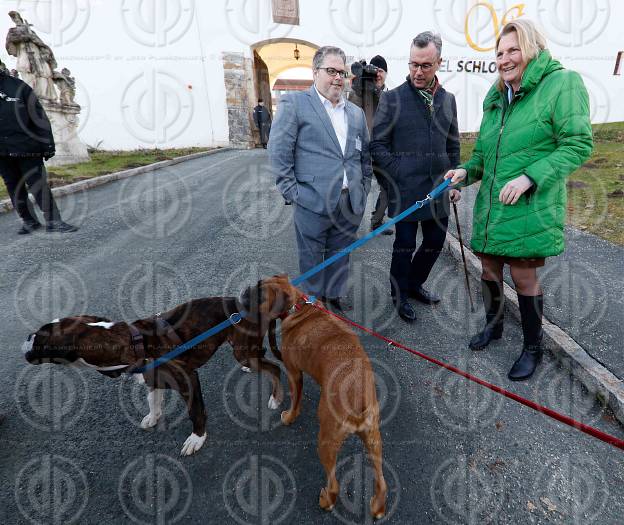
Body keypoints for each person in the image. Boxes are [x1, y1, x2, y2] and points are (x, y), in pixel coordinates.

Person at [445, 19, 593, 381]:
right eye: (499, 53)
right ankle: (494, 328)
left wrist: (531, 177)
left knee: (524, 277)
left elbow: (578, 144)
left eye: (513, 50)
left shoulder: (562, 83)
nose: (505, 58)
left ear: (532, 49)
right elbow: (483, 155)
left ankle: (532, 348)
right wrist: (465, 172)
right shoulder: (495, 97)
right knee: (490, 270)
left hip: (530, 206)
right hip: (493, 207)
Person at [269, 45, 372, 312]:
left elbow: (364, 158)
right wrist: (294, 193)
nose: (338, 77)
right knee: (311, 257)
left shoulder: (356, 113)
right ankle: (312, 304)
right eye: (331, 71)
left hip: (349, 202)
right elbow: (279, 152)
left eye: (342, 72)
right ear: (315, 72)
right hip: (311, 201)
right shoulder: (295, 104)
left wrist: (362, 190)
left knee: (341, 254)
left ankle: (334, 294)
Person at [370, 32, 460, 323]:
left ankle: (413, 284)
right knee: (404, 246)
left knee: (434, 242)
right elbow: (378, 146)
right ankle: (398, 294)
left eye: (425, 65)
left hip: (438, 191)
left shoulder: (448, 100)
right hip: (406, 191)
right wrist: (400, 173)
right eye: (413, 65)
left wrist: (454, 180)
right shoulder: (393, 99)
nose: (418, 72)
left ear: (438, 63)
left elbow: (453, 143)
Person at [0, 63, 77, 233]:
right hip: (2, 152)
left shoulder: (18, 86)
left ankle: (54, 221)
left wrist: (47, 144)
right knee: (14, 187)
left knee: (38, 185)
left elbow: (38, 116)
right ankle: (29, 221)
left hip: (27, 147)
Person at [348, 55, 393, 235]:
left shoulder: (391, 95)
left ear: (386, 73)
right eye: (375, 71)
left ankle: (377, 221)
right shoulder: (358, 92)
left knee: (388, 186)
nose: (378, 74)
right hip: (361, 150)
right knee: (355, 188)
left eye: (381, 71)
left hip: (383, 149)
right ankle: (348, 225)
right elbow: (350, 114)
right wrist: (361, 87)